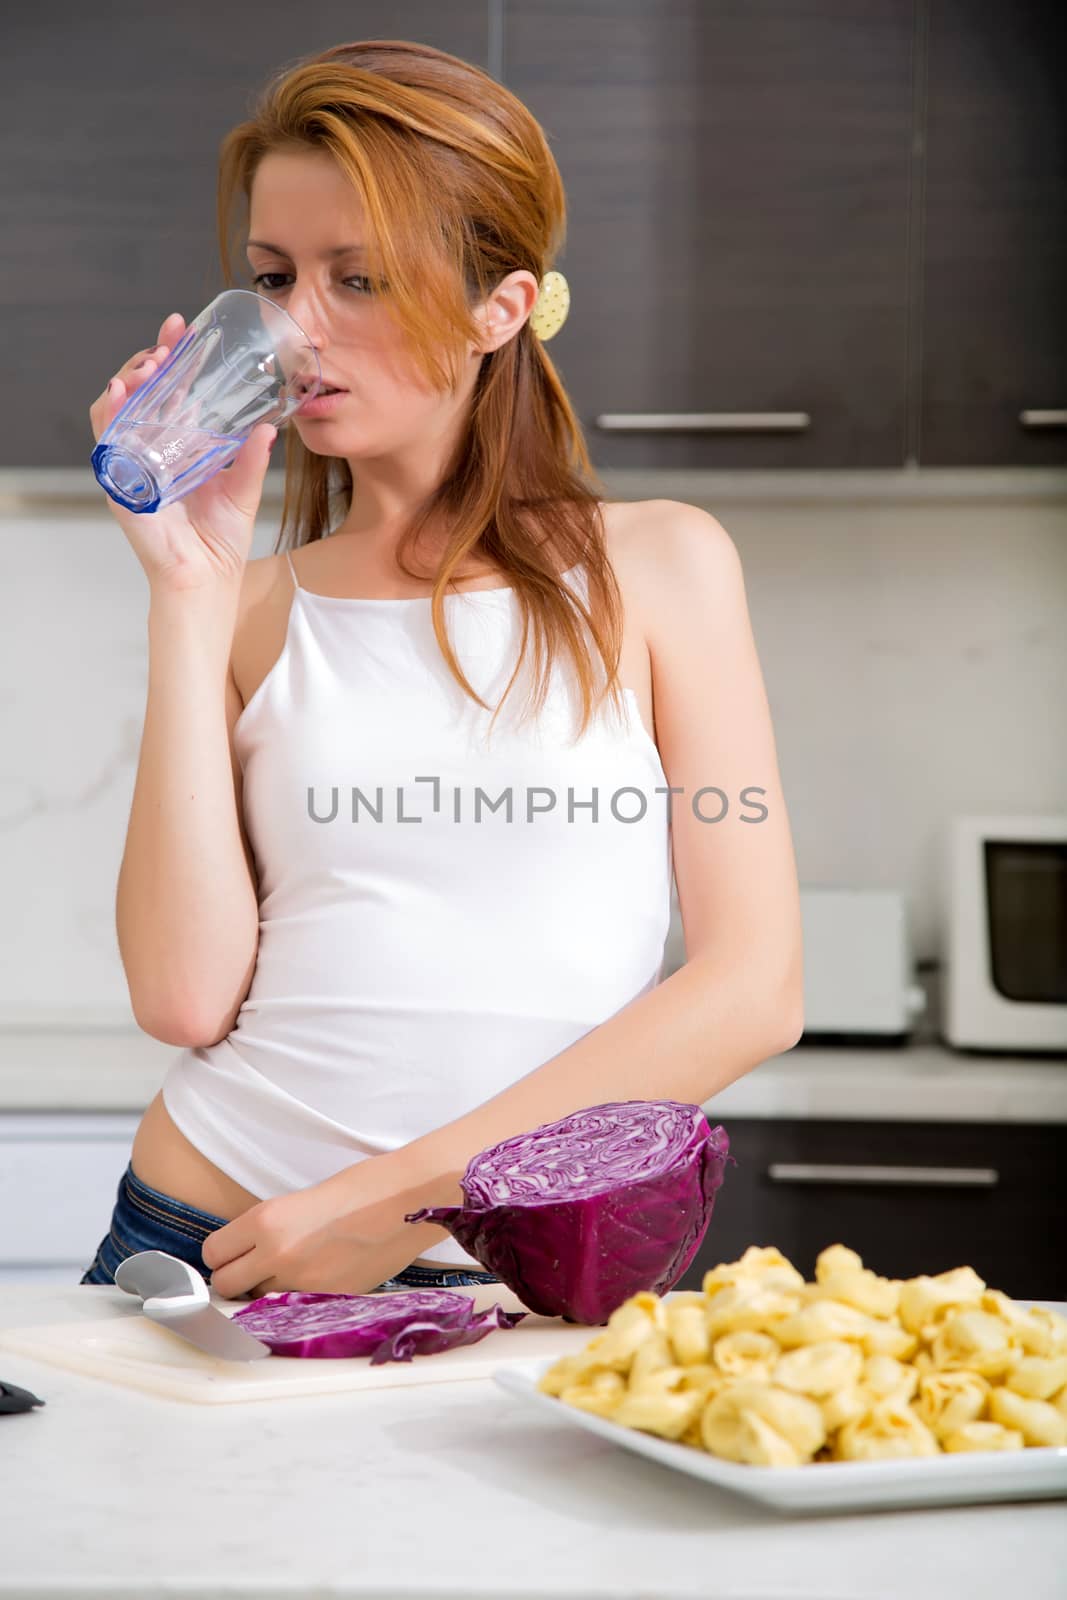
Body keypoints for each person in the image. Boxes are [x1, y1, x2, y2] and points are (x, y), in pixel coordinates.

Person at [80, 39, 804, 1301]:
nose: (296, 329)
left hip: (492, 1263)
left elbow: (753, 988)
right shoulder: (250, 607)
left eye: (356, 278)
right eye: (273, 276)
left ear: (499, 308)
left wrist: (393, 1204)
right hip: (206, 1240)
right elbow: (185, 996)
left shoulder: (657, 569)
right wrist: (185, 594)